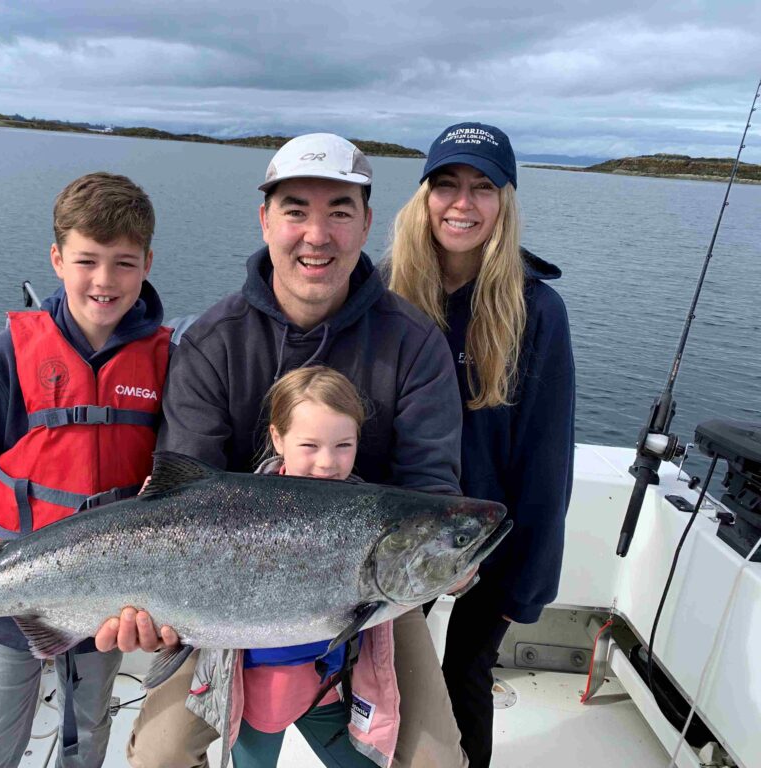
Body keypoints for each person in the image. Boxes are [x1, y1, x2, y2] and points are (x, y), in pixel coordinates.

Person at [97, 134, 469, 768]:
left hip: (370, 595)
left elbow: (431, 491)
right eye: (296, 209)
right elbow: (181, 496)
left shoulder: (414, 345)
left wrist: (453, 559)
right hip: (213, 593)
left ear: (367, 224)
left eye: (340, 212)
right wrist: (151, 609)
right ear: (264, 219)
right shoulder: (214, 342)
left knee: (436, 763)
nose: (316, 235)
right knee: (156, 760)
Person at [0, 172, 171, 768]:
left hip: (111, 597)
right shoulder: (9, 354)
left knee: (88, 732)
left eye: (123, 263)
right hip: (17, 585)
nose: (104, 281)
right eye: (86, 260)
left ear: (148, 261)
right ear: (56, 257)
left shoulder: (170, 359)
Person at [386, 122, 576, 768]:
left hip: (489, 538)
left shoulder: (538, 312)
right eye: (446, 184)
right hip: (401, 530)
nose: (461, 203)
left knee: (466, 673)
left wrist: (525, 586)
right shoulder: (388, 289)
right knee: (380, 669)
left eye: (481, 187)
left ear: (505, 201)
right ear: (424, 196)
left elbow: (547, 460)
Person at [232, 365, 391, 768]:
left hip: (329, 686)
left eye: (343, 445)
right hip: (261, 696)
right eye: (309, 446)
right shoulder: (240, 513)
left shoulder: (368, 511)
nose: (327, 463)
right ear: (277, 438)